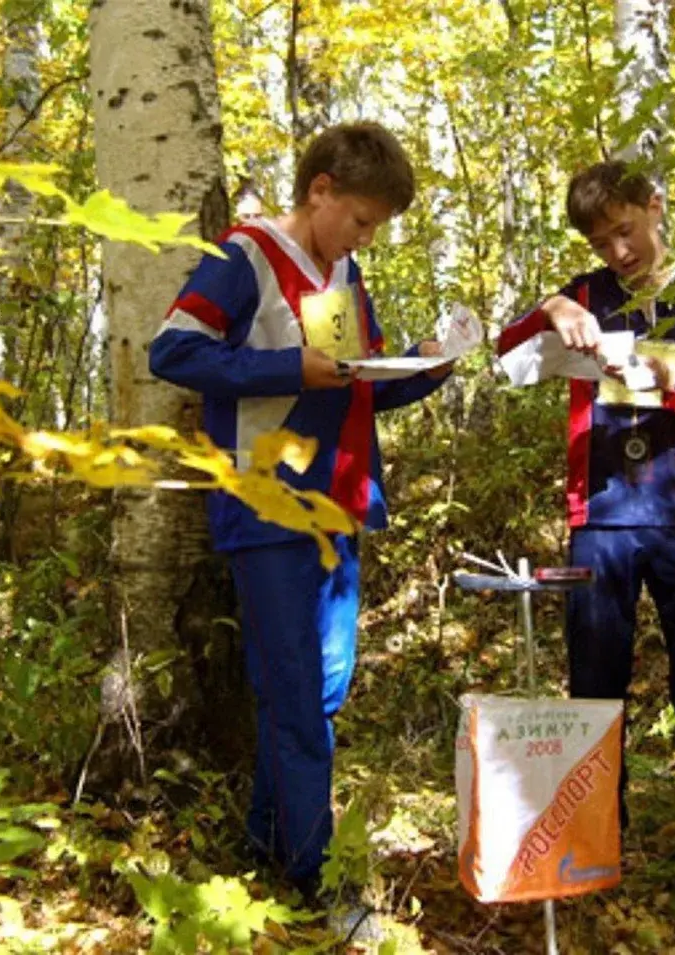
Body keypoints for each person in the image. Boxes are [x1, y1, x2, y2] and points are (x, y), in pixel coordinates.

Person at [149, 122, 452, 892]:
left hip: (341, 502)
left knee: (321, 687)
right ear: (320, 190)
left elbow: (360, 379)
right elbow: (173, 350)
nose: (367, 238)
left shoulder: (345, 269)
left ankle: (268, 844)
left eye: (377, 226)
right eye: (361, 219)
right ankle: (322, 879)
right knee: (294, 694)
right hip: (270, 504)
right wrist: (290, 366)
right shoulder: (242, 255)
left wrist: (430, 365)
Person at [497, 160, 675, 854]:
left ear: (655, 205)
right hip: (601, 517)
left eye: (625, 230)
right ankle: (596, 837)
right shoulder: (584, 294)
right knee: (594, 680)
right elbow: (506, 351)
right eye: (601, 242)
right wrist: (553, 307)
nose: (618, 252)